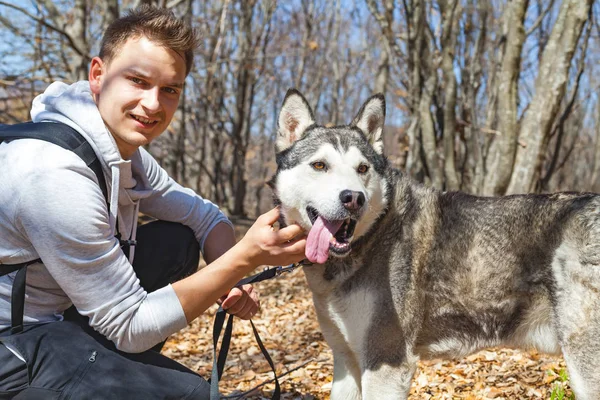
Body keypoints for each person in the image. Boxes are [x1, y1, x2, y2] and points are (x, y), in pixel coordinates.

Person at [0, 5, 306, 399]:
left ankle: (96, 372)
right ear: (98, 75)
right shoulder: (55, 177)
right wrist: (244, 258)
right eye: (137, 81)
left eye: (170, 89)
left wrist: (232, 276)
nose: (153, 104)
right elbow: (130, 326)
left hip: (57, 319)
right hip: (13, 340)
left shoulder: (125, 154)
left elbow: (205, 216)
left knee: (176, 240)